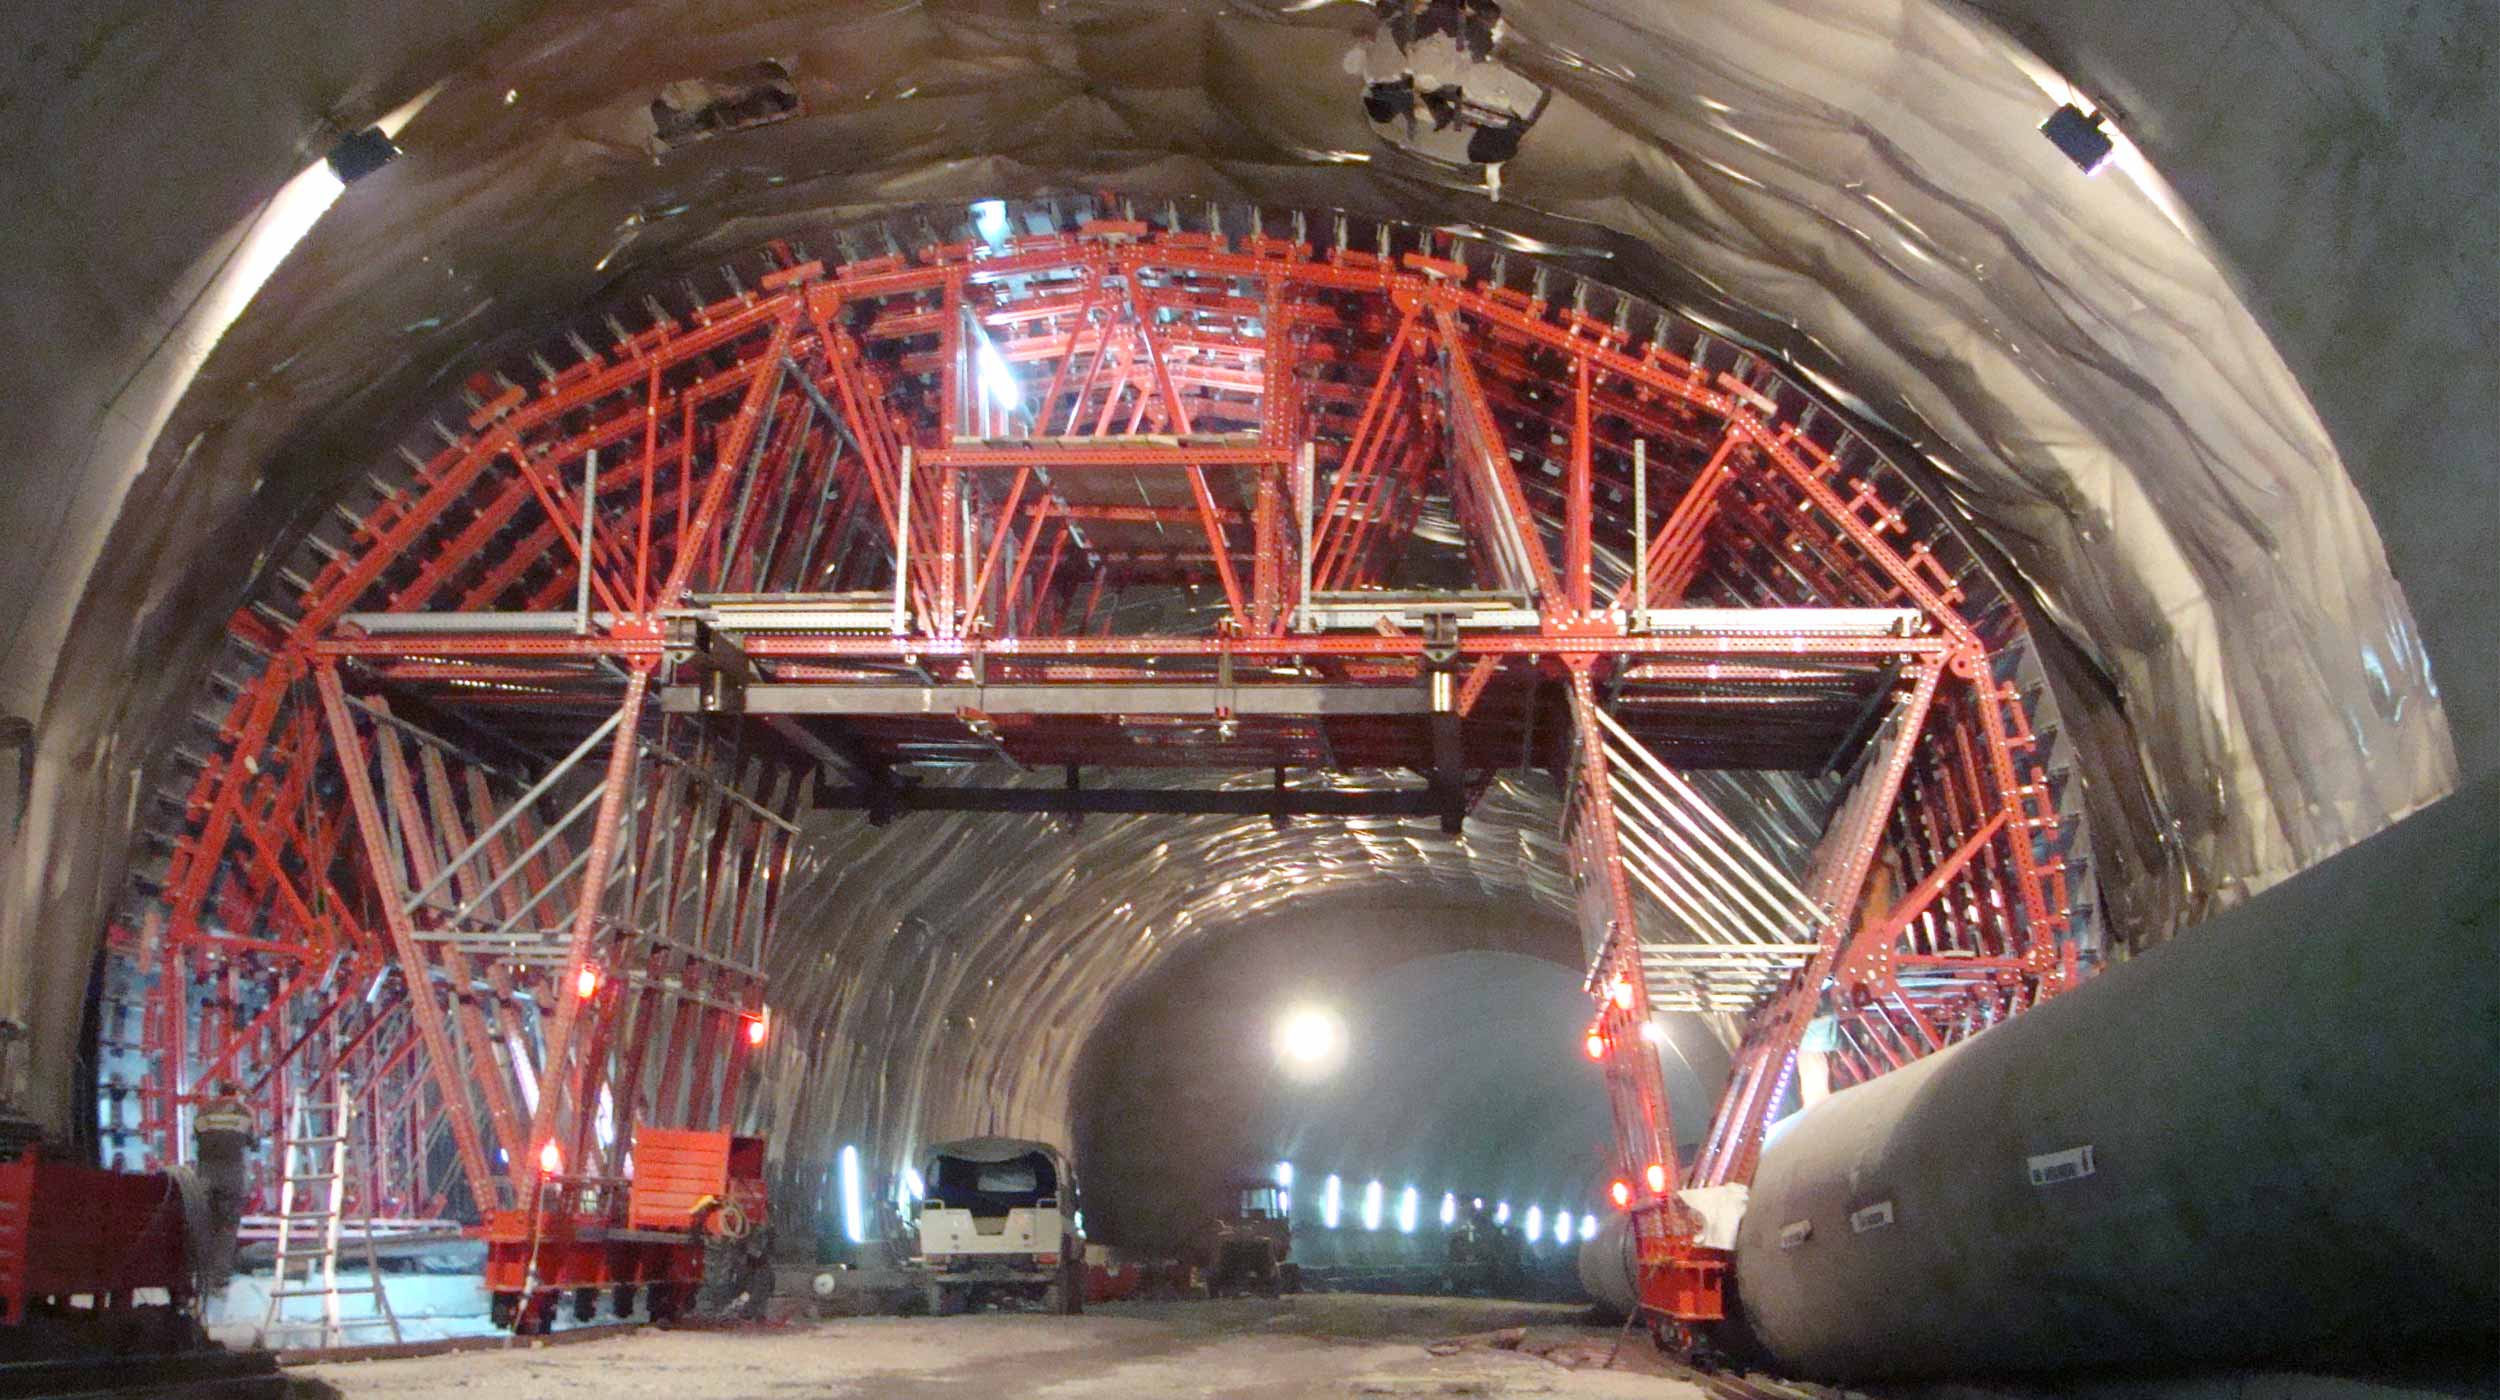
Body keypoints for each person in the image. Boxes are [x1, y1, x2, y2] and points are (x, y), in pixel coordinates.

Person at [192, 1082, 252, 1293]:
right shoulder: (243, 1112)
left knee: (205, 1224)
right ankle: (220, 1278)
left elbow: (198, 1136)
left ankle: (202, 1276)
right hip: (231, 1173)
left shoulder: (204, 1111)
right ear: (236, 1094)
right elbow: (253, 1142)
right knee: (227, 1226)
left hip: (206, 1173)